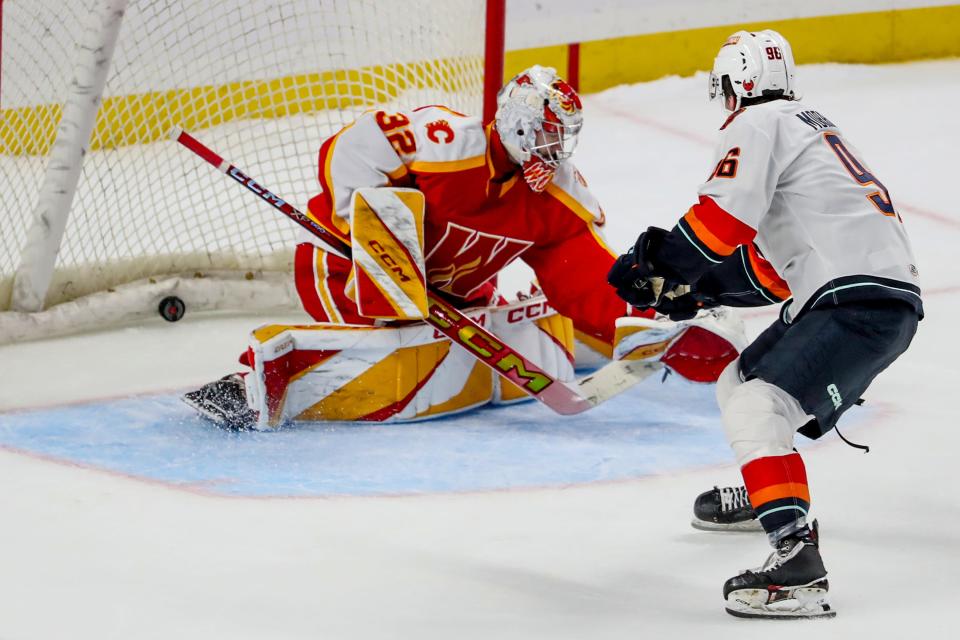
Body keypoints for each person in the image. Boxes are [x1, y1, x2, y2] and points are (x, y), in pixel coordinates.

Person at [184, 65, 740, 429]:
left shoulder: (556, 196)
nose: (557, 149)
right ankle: (246, 383)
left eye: (563, 138)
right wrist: (375, 245)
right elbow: (350, 148)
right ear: (520, 126)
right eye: (549, 134)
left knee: (446, 356)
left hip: (451, 302)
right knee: (399, 345)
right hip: (346, 275)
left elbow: (580, 275)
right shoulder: (444, 145)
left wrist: (646, 321)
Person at [607, 30, 921, 619]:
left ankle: (798, 564)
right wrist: (694, 288)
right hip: (859, 298)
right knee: (739, 381)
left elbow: (719, 222)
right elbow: (770, 273)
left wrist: (658, 264)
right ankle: (770, 493)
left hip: (853, 304)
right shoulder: (808, 127)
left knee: (757, 408)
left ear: (735, 86)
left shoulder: (759, 124)